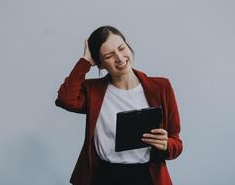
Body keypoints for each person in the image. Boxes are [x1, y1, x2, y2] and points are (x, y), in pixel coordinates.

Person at [55, 26, 183, 185]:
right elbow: (65, 99)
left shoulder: (161, 87)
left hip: (147, 177)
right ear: (100, 64)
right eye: (109, 55)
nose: (120, 58)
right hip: (104, 176)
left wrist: (166, 144)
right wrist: (85, 61)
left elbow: (176, 143)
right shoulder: (93, 90)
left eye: (122, 48)